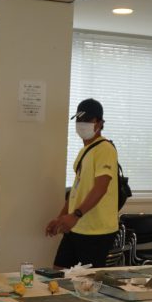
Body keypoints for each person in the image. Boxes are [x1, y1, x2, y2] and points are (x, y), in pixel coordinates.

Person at [45, 98, 119, 269]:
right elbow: (76, 190)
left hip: (96, 230)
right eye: (79, 119)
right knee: (58, 273)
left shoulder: (105, 149)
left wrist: (75, 215)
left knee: (87, 281)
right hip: (77, 226)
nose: (82, 124)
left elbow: (101, 188)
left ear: (99, 123)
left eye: (87, 120)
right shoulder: (85, 151)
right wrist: (61, 218)